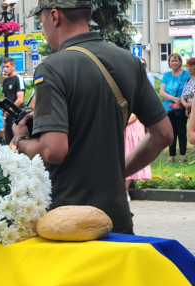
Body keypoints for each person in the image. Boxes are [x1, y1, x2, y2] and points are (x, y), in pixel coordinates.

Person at [12, 0, 172, 235]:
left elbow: (53, 150)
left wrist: (21, 140)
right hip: (116, 218)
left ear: (54, 16)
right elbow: (164, 134)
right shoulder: (128, 60)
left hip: (66, 223)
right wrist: (118, 173)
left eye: (41, 20)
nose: (43, 30)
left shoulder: (52, 67)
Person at [160, 53, 189, 163]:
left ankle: (182, 155)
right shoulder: (166, 75)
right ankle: (171, 155)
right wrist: (174, 99)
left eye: (176, 60)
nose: (174, 63)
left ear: (180, 62)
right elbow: (162, 92)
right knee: (171, 132)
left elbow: (190, 90)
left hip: (181, 108)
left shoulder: (186, 75)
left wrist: (180, 102)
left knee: (181, 131)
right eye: (172, 61)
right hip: (169, 109)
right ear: (169, 63)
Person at [1, 56, 25, 144]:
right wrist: (3, 111)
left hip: (16, 115)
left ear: (13, 66)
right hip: (7, 116)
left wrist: (9, 110)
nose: (5, 69)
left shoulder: (18, 78)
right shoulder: (5, 81)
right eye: (4, 67)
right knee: (7, 141)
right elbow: (4, 97)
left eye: (7, 66)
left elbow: (20, 99)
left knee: (16, 142)